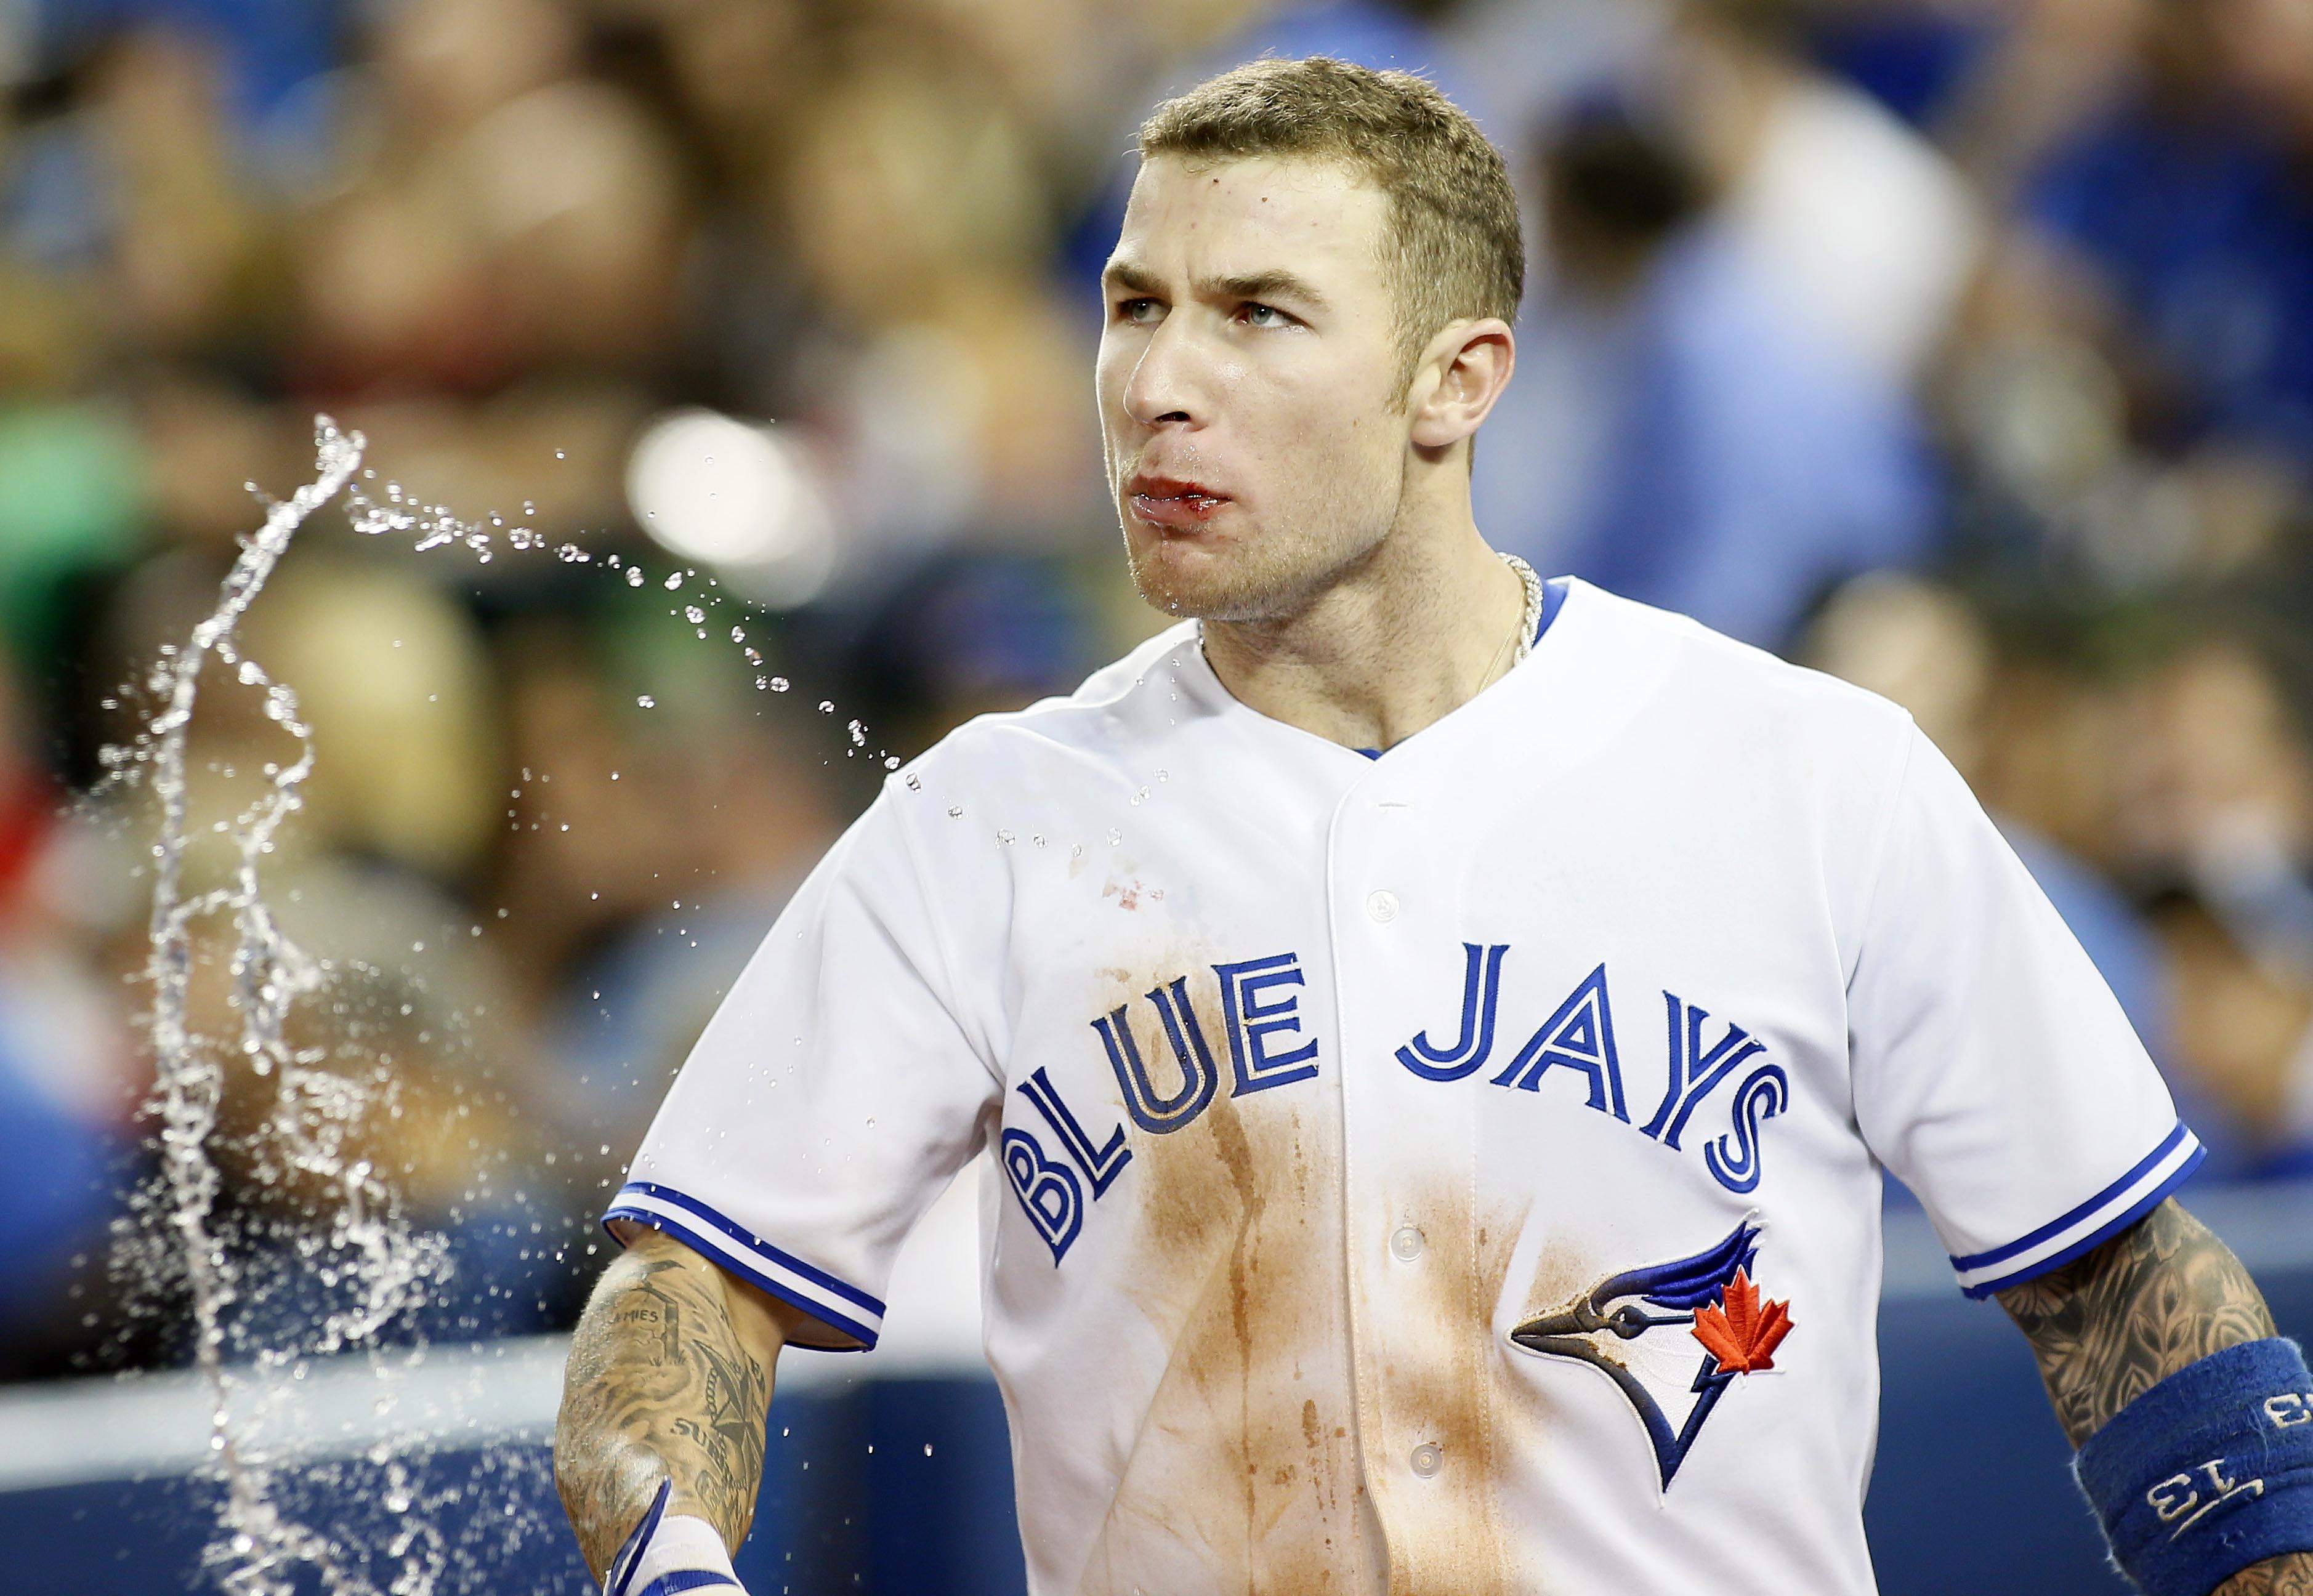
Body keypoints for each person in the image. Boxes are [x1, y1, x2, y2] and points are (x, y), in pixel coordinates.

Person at [554, 58, 2313, 1596]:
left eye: (1257, 312)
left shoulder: (1805, 775)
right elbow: (684, 1285)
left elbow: (2119, 1285)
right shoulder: (983, 824)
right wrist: (671, 1569)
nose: (1159, 379)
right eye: (1130, 303)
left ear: (1455, 384)